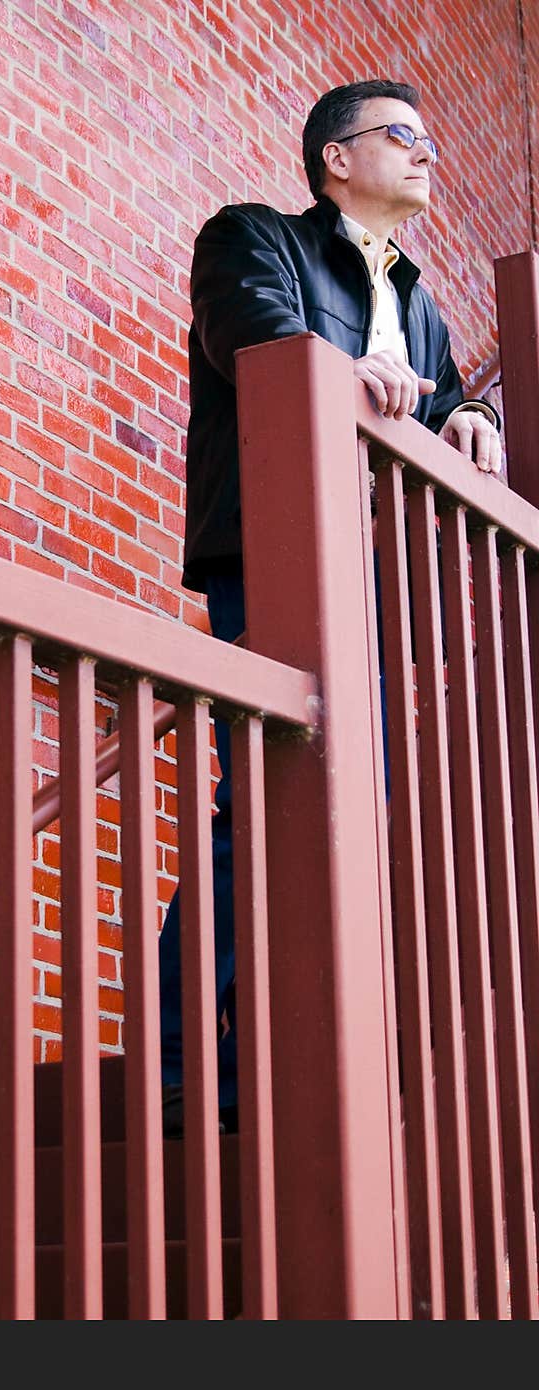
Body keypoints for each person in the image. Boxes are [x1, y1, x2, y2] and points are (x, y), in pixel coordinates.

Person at [158, 78, 502, 1138]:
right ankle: (182, 1062)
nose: (426, 155)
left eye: (431, 142)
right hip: (270, 549)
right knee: (265, 801)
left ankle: (278, 1049)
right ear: (336, 159)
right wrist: (347, 372)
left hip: (372, 582)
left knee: (344, 809)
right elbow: (250, 336)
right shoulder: (253, 237)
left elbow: (442, 400)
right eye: (403, 137)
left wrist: (475, 415)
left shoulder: (424, 301)